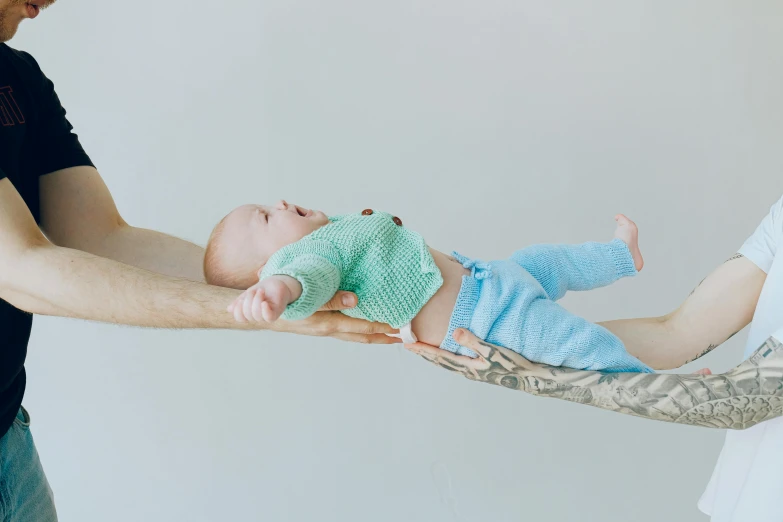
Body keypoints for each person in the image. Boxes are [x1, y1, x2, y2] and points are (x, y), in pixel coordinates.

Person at [0, 2, 398, 520]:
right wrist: (262, 313)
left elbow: (102, 235)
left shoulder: (19, 76)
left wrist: (290, 276)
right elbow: (20, 268)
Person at [408, 195, 783, 520]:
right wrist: (511, 331)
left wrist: (534, 373)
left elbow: (740, 400)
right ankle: (619, 255)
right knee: (541, 263)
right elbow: (678, 332)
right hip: (750, 495)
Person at [208, 200, 651, 372]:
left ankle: (618, 257)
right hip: (486, 323)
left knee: (548, 260)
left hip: (489, 277)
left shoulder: (331, 231)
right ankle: (658, 386)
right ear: (267, 267)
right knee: (577, 344)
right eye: (266, 217)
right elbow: (310, 279)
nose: (281, 203)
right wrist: (280, 292)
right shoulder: (307, 261)